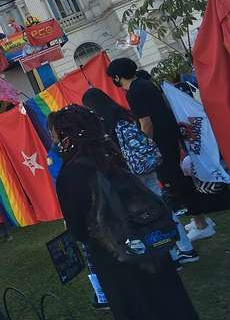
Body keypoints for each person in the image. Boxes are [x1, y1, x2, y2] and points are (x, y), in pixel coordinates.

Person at [49, 104, 213, 320]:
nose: (54, 141)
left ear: (67, 137)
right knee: (179, 318)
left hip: (120, 261)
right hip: (154, 251)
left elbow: (80, 231)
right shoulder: (110, 155)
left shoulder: (73, 173)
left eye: (55, 135)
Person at [82, 87, 199, 265]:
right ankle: (185, 248)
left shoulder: (103, 123)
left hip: (133, 173)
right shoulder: (121, 115)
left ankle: (171, 254)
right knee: (163, 208)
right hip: (147, 166)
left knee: (148, 216)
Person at [106, 58, 215, 241]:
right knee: (179, 178)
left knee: (176, 181)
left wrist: (143, 146)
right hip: (170, 136)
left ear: (117, 76)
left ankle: (201, 223)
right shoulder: (145, 84)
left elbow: (145, 123)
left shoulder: (134, 92)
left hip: (160, 142)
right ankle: (200, 218)